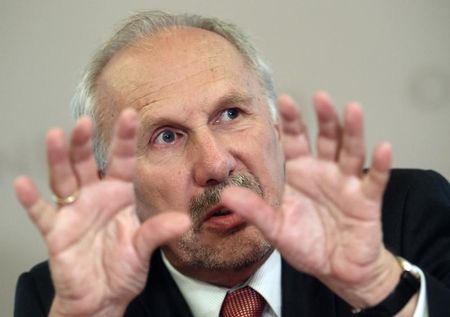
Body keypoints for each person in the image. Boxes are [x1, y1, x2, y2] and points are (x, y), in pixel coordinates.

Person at [14, 10, 450, 317]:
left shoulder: (402, 217)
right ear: (112, 187)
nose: (216, 164)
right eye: (166, 136)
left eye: (231, 114)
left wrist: (382, 290)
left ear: (277, 130)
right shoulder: (63, 297)